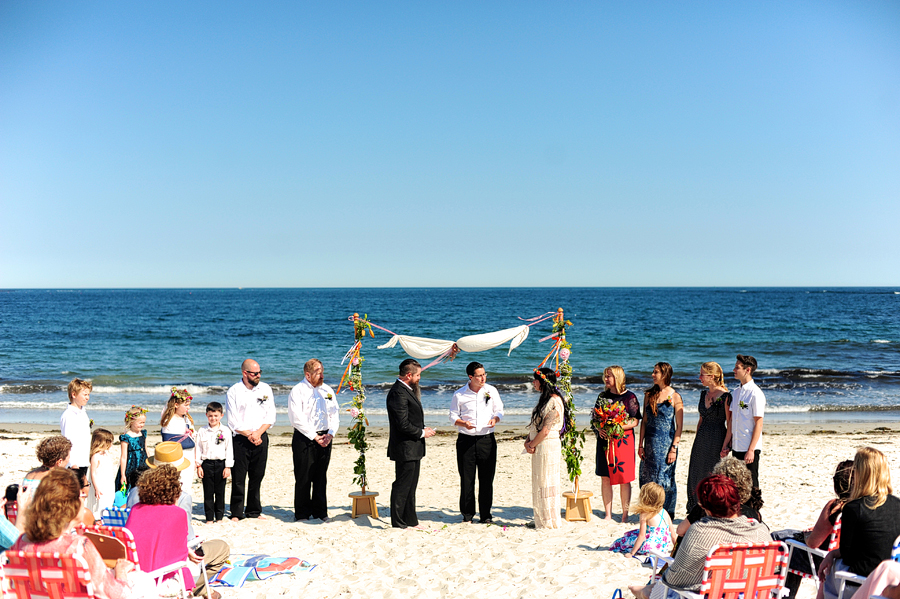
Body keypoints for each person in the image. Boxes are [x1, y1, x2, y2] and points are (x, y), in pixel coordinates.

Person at [628, 475, 773, 599]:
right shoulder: (761, 531)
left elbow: (676, 579)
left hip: (710, 594)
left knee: (654, 589)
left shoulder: (700, 532)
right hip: (750, 594)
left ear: (704, 506)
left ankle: (644, 591)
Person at [10, 467, 144, 599]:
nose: (84, 497)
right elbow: (115, 594)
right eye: (81, 495)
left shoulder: (21, 543)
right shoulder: (78, 546)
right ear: (71, 505)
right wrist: (120, 572)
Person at [128, 442, 229, 599]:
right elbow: (183, 547)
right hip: (163, 574)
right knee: (221, 548)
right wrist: (188, 548)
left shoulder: (135, 495)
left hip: (137, 568)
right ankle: (200, 589)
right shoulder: (180, 502)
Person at [816, 447, 900, 599]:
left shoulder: (854, 508)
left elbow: (848, 555)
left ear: (861, 474)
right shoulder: (897, 504)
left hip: (860, 581)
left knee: (830, 570)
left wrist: (832, 555)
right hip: (892, 580)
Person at [775, 460, 853, 599]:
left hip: (823, 561)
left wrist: (807, 535)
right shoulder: (860, 505)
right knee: (787, 535)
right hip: (843, 558)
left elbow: (812, 543)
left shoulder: (835, 506)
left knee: (781, 541)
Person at [126, 463, 195, 596]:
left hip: (136, 574)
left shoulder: (136, 509)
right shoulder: (178, 514)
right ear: (174, 490)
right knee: (218, 549)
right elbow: (179, 557)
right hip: (161, 578)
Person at [449, 361, 503, 524]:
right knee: (467, 479)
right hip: (466, 439)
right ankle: (467, 515)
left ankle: (486, 515)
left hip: (487, 439)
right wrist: (463, 423)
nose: (483, 378)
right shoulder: (459, 394)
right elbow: (452, 416)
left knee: (487, 479)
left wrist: (495, 418)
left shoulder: (491, 391)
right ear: (470, 377)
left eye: (484, 374)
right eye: (479, 375)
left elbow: (499, 409)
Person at [386, 358, 436, 529]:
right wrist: (423, 432)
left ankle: (410, 520)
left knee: (411, 485)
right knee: (402, 485)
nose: (419, 378)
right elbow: (402, 424)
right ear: (409, 375)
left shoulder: (406, 389)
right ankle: (399, 522)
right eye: (418, 375)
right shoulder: (398, 392)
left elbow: (410, 419)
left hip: (413, 446)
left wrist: (422, 428)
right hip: (404, 446)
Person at [288, 359, 339, 522]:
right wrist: (314, 436)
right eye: (318, 372)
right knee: (303, 476)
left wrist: (330, 433)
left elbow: (334, 413)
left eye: (322, 371)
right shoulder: (298, 391)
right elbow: (296, 418)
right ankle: (302, 513)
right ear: (308, 374)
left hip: (325, 437)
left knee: (320, 476)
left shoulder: (327, 390)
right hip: (305, 437)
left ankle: (320, 512)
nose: (322, 375)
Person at [225, 358, 276, 521]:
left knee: (257, 475)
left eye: (260, 372)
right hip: (241, 439)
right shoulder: (234, 391)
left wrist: (259, 433)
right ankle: (237, 512)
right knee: (239, 477)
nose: (258, 376)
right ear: (245, 373)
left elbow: (271, 415)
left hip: (261, 437)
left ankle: (254, 510)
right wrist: (249, 434)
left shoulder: (265, 388)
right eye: (255, 373)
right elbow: (232, 421)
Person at [675, 455, 762, 549]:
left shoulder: (706, 508)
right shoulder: (754, 515)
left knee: (683, 536)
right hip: (741, 558)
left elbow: (680, 530)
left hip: (710, 555)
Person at [593, 365, 641, 522]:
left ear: (618, 378)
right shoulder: (602, 396)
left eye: (609, 376)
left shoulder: (630, 397)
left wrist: (617, 427)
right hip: (605, 440)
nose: (606, 379)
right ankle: (608, 514)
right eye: (605, 376)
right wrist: (600, 429)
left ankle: (625, 515)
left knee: (624, 478)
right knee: (605, 477)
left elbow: (634, 421)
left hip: (623, 441)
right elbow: (595, 419)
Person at [685, 362, 732, 514]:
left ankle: (712, 510)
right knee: (696, 472)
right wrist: (697, 438)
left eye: (702, 375)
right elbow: (701, 420)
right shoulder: (703, 394)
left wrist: (726, 445)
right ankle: (695, 510)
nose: (699, 378)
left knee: (712, 474)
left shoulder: (726, 396)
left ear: (712, 376)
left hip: (717, 438)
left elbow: (730, 422)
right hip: (701, 438)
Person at [638, 362, 683, 519]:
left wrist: (674, 448)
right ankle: (648, 510)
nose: (652, 374)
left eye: (655, 372)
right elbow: (644, 421)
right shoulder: (648, 395)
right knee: (646, 477)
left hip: (666, 445)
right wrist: (640, 445)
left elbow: (679, 427)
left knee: (665, 479)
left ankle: (666, 513)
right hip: (649, 443)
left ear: (664, 374)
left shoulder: (675, 397)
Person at [525, 367, 566, 530]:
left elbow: (546, 430)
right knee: (541, 480)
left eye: (535, 379)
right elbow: (538, 424)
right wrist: (528, 440)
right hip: (540, 443)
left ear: (542, 381)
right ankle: (541, 517)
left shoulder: (554, 401)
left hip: (547, 444)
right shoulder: (546, 399)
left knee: (547, 480)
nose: (533, 382)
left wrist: (532, 444)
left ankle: (548, 520)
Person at [16, 435, 72, 533]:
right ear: (59, 461)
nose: (69, 461)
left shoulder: (30, 475)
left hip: (26, 521)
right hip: (43, 526)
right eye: (68, 457)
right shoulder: (54, 478)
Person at [724, 354, 765, 488]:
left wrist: (751, 450)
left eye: (737, 367)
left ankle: (754, 509)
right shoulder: (735, 393)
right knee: (737, 484)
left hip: (749, 447)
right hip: (736, 446)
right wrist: (727, 444)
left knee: (752, 484)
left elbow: (759, 423)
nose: (734, 370)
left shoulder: (756, 393)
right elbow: (731, 422)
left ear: (747, 370)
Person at [610, 482, 675, 558]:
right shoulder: (664, 512)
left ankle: (632, 550)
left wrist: (632, 553)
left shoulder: (645, 513)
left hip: (649, 547)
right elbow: (673, 535)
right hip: (663, 547)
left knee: (621, 542)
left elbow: (642, 536)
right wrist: (676, 550)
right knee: (634, 534)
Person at [196, 401, 234, 523]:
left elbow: (229, 449)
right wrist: (198, 465)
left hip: (220, 464)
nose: (213, 418)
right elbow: (198, 449)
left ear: (221, 416)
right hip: (206, 464)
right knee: (208, 492)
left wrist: (228, 467)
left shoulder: (225, 431)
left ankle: (219, 517)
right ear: (206, 415)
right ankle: (209, 518)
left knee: (220, 492)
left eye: (216, 416)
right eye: (211, 416)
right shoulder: (202, 431)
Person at [161, 387, 197, 492]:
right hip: (177, 457)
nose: (188, 408)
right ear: (176, 405)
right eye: (186, 405)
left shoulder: (186, 419)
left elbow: (193, 438)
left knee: (187, 483)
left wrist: (196, 460)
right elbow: (170, 444)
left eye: (189, 405)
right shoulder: (169, 421)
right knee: (177, 484)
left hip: (189, 455)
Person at [61, 377, 92, 478]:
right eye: (85, 395)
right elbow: (67, 440)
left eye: (88, 395)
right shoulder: (69, 415)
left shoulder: (83, 412)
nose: (87, 397)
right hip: (75, 463)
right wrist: (72, 463)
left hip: (84, 459)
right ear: (74, 394)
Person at [118, 406, 149, 492]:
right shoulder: (126, 437)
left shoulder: (143, 434)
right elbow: (123, 457)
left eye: (143, 422)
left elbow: (146, 449)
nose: (142, 425)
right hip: (132, 465)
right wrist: (123, 474)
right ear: (131, 422)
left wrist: (150, 463)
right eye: (140, 423)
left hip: (143, 463)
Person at [87, 428, 116, 518]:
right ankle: (99, 517)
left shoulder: (106, 454)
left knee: (109, 499)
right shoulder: (96, 456)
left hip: (108, 482)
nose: (111, 444)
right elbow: (93, 473)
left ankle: (106, 516)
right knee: (100, 502)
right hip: (100, 483)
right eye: (109, 442)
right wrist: (97, 488)